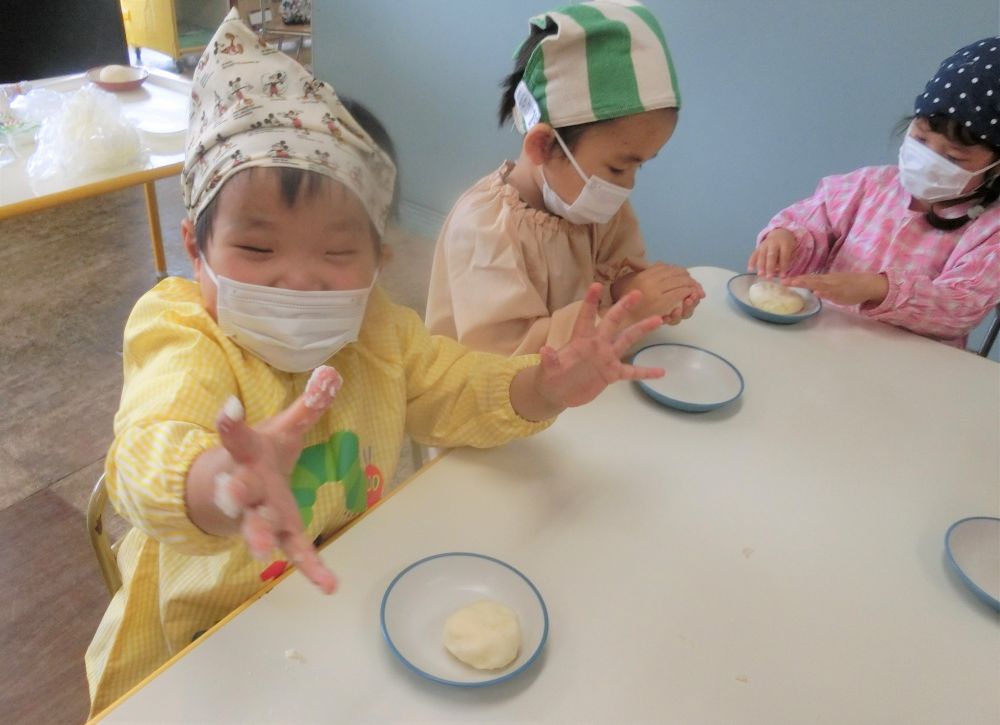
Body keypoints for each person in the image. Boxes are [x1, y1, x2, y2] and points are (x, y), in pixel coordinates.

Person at [85, 10, 667, 715]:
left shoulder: (376, 330)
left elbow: (455, 383)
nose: (299, 279)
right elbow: (147, 447)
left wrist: (541, 384)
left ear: (380, 259)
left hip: (342, 605)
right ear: (195, 245)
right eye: (259, 250)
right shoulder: (184, 330)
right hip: (201, 642)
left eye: (336, 253)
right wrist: (220, 480)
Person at [424, 0, 704, 356]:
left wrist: (648, 294)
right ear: (543, 145)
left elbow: (615, 278)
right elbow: (509, 358)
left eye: (640, 166)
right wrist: (625, 310)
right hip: (495, 400)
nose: (627, 185)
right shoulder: (484, 230)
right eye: (618, 167)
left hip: (578, 385)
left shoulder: (599, 208)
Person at [749, 37, 1000, 348]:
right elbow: (813, 221)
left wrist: (879, 288)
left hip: (914, 366)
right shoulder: (869, 185)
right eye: (921, 139)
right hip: (825, 340)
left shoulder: (991, 230)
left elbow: (962, 306)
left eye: (953, 157)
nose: (930, 159)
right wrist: (787, 239)